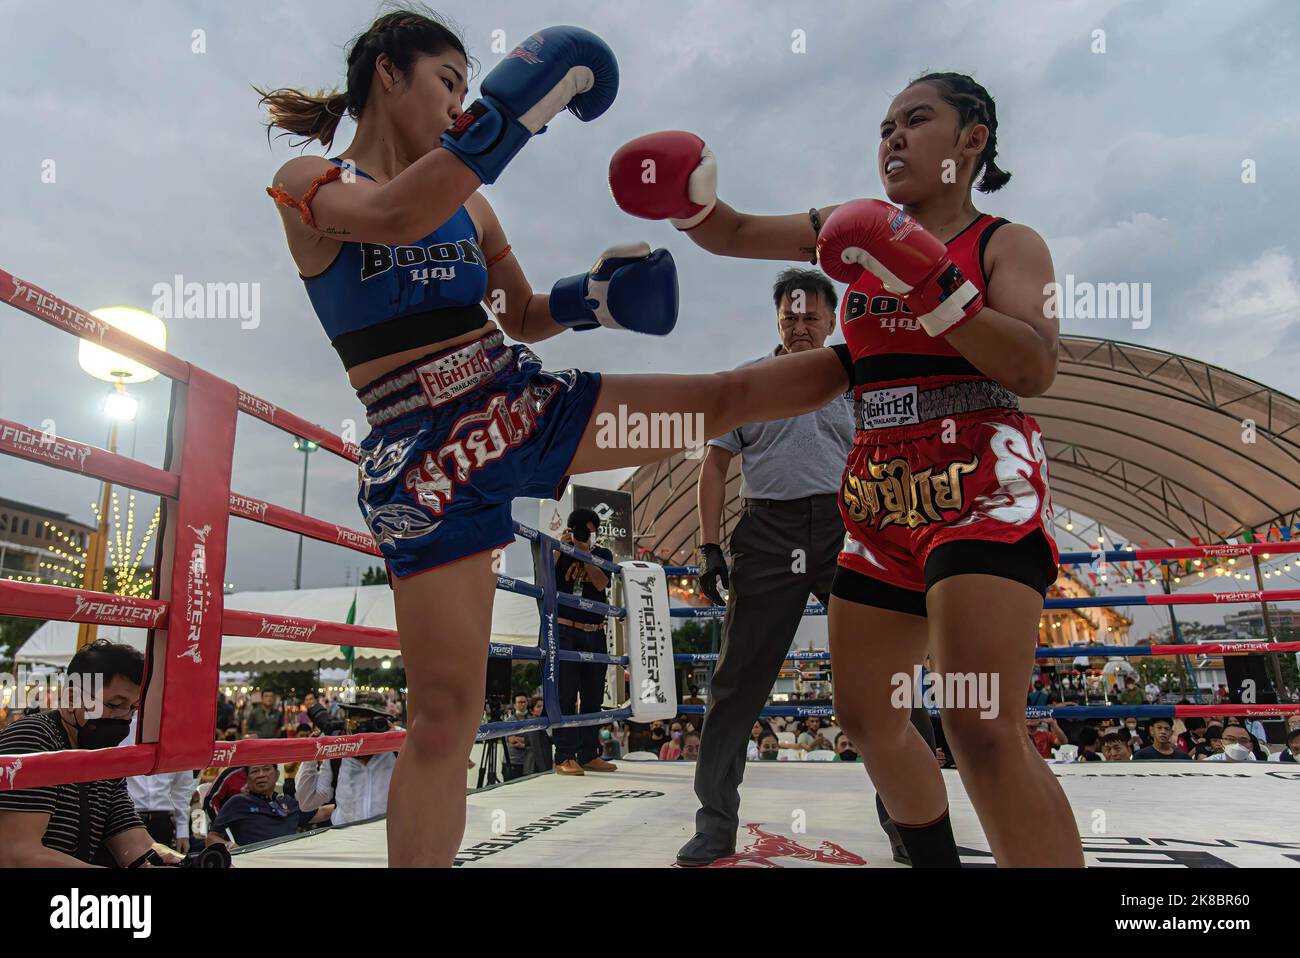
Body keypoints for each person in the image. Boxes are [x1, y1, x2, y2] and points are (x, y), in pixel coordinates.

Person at [261, 10, 854, 867]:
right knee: (444, 716)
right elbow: (392, 215)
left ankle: (883, 350)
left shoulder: (470, 202)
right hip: (426, 462)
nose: (461, 105)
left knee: (717, 399)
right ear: (389, 74)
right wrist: (517, 114)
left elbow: (521, 316)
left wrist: (593, 299)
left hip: (516, 400)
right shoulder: (308, 178)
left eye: (470, 90)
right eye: (449, 83)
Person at [612, 71, 1079, 866]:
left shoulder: (1008, 242)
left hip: (978, 484)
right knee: (866, 717)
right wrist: (688, 200)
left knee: (980, 723)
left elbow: (1035, 364)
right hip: (878, 495)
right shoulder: (855, 231)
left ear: (972, 140)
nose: (892, 137)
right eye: (885, 124)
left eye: (916, 120)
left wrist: (933, 281)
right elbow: (732, 233)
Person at [677, 268, 936, 866]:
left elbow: (897, 453)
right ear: (777, 320)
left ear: (830, 319)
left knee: (888, 685)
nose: (799, 326)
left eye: (810, 316)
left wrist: (905, 532)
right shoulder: (749, 383)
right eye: (789, 317)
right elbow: (713, 466)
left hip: (851, 524)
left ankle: (916, 828)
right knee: (736, 685)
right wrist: (710, 546)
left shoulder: (858, 378)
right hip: (768, 531)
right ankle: (715, 826)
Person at [0, 641, 182, 867]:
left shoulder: (103, 756)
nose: (125, 716)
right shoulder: (33, 738)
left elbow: (133, 842)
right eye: (115, 704)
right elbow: (16, 854)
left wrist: (177, 861)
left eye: (133, 708)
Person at [552, 508, 618, 776]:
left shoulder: (602, 554)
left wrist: (583, 553)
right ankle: (564, 756)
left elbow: (600, 584)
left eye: (591, 532)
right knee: (566, 694)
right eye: (583, 530)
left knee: (593, 696)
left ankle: (589, 753)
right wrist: (562, 547)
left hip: (595, 630)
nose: (586, 536)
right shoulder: (558, 549)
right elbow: (545, 574)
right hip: (565, 630)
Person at [295, 693, 399, 826]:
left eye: (370, 722)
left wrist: (399, 741)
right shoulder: (337, 756)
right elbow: (307, 803)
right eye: (356, 723)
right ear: (347, 723)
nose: (363, 731)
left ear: (385, 723)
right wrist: (312, 753)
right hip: (346, 841)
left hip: (386, 839)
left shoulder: (398, 751)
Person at [206, 764, 334, 848]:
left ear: (277, 775)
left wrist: (348, 804)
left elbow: (321, 813)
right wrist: (230, 846)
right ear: (247, 779)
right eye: (255, 771)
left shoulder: (287, 802)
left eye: (266, 769)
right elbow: (211, 838)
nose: (261, 774)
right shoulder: (238, 802)